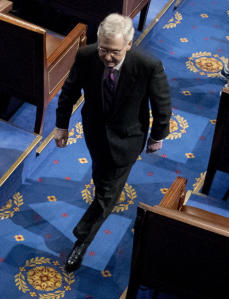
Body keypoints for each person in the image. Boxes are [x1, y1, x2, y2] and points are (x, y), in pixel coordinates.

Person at [53, 13, 171, 272]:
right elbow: (69, 91)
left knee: (107, 194)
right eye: (104, 50)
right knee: (101, 177)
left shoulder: (148, 65)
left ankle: (82, 239)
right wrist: (61, 125)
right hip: (95, 133)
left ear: (129, 44)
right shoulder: (86, 56)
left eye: (114, 52)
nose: (107, 57)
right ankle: (101, 193)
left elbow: (162, 105)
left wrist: (158, 135)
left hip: (128, 139)